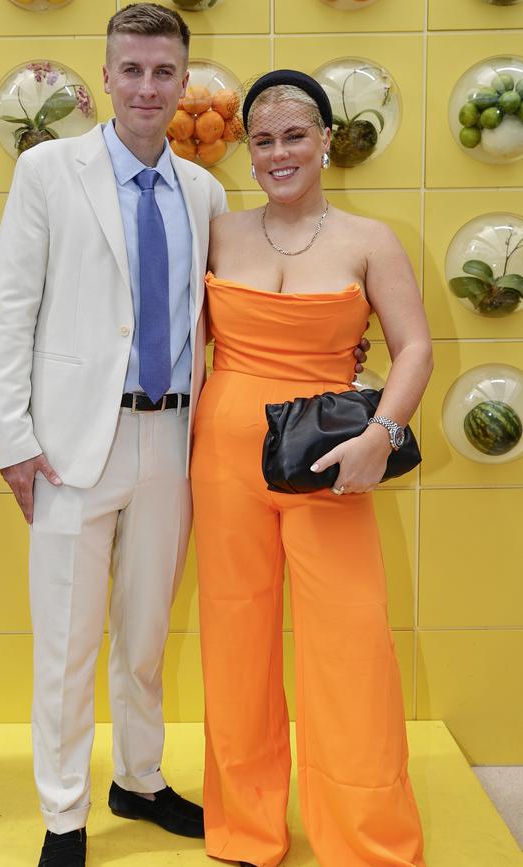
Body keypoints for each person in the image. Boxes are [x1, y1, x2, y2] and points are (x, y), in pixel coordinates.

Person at [0, 5, 228, 865]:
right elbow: (11, 309)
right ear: (108, 76)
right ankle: (63, 815)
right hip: (68, 445)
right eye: (132, 70)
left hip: (171, 444)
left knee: (147, 631)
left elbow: (212, 323)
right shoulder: (49, 170)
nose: (148, 87)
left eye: (165, 72)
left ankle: (140, 777)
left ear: (184, 81)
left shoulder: (205, 190)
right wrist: (12, 438)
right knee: (66, 643)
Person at [191, 70, 433, 867]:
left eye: (295, 135)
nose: (279, 152)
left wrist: (383, 435)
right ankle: (248, 828)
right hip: (223, 458)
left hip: (328, 460)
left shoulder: (371, 239)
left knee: (351, 648)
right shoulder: (219, 231)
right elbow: (188, 345)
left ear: (327, 139)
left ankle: (366, 840)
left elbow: (415, 347)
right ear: (248, 152)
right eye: (263, 140)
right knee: (234, 642)